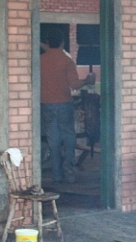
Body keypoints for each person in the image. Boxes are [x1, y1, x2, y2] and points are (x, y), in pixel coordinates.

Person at [40, 27, 95, 183]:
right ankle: (69, 174)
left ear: (48, 42)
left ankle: (57, 176)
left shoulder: (40, 60)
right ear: (63, 42)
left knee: (53, 140)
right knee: (69, 139)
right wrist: (87, 81)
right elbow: (74, 84)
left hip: (46, 104)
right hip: (64, 103)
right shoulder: (66, 61)